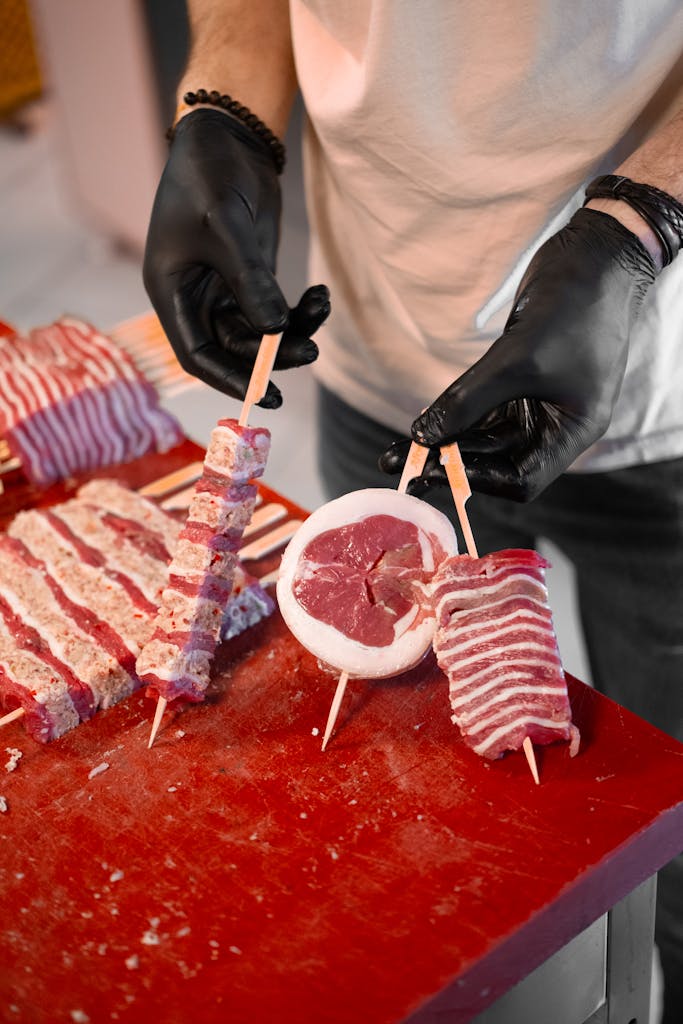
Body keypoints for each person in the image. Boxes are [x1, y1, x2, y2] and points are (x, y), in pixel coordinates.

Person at [142, 3, 683, 1020]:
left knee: (673, 834)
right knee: (419, 840)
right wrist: (225, 107)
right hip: (384, 353)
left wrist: (639, 225)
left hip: (662, 379)